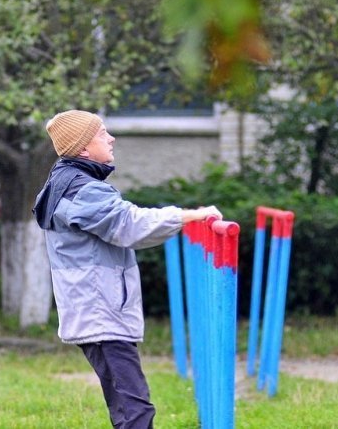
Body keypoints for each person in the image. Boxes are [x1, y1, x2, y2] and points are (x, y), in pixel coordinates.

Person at [32, 109, 222, 429]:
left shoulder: (67, 184)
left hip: (96, 308)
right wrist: (187, 216)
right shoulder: (81, 189)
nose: (111, 138)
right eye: (102, 133)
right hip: (100, 311)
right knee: (135, 411)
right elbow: (129, 225)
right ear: (82, 148)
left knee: (128, 409)